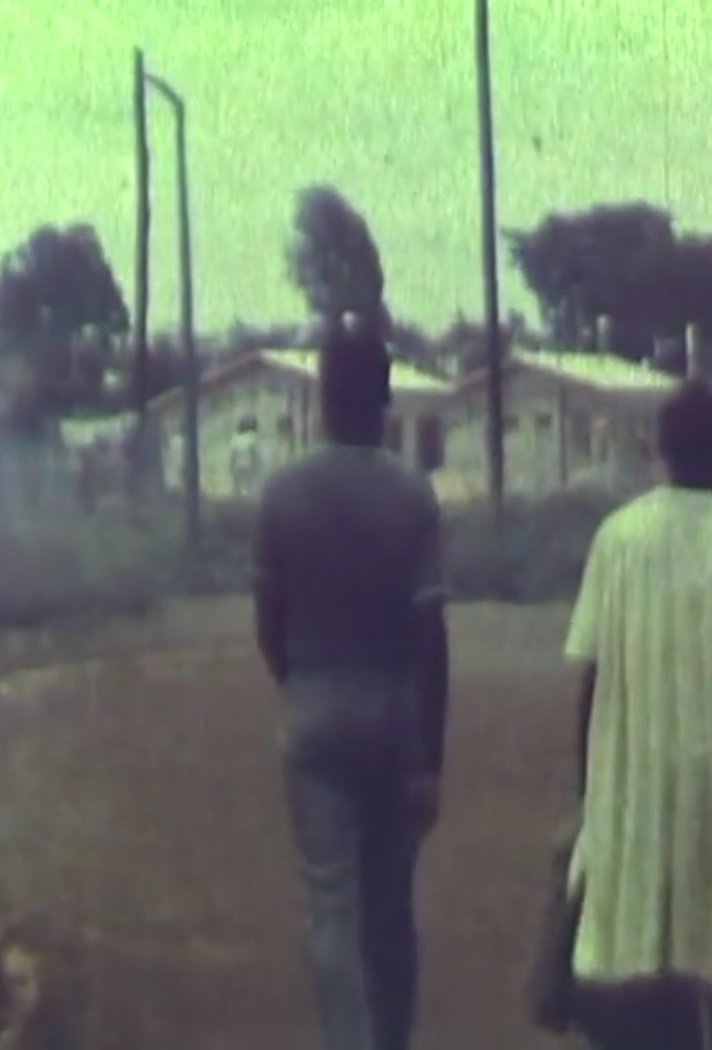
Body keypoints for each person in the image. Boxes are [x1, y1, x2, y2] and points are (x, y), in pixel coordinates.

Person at [563, 379, 712, 1050]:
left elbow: (590, 679)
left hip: (630, 798)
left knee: (634, 970)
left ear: (661, 448)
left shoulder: (617, 539)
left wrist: (587, 800)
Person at [253, 320, 449, 1050]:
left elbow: (267, 620)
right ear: (385, 400)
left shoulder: (281, 494)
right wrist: (430, 758)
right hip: (393, 711)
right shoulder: (412, 495)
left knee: (330, 908)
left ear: (323, 395)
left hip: (314, 703)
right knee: (390, 909)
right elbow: (431, 634)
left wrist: (298, 678)